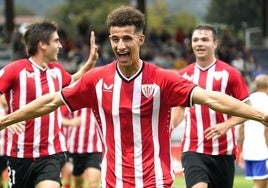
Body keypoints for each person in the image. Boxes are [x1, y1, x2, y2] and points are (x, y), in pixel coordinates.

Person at [0, 6, 268, 188]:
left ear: (140, 40)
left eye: (127, 38)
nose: (120, 45)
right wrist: (5, 120)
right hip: (114, 181)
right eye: (115, 39)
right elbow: (50, 101)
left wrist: (261, 116)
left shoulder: (163, 78)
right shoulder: (96, 79)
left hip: (156, 180)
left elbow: (212, 98)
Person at [0, 20, 98, 188]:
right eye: (56, 41)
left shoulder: (57, 71)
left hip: (51, 153)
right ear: (42, 44)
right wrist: (4, 118)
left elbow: (73, 79)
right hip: (19, 153)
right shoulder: (15, 70)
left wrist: (89, 64)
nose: (60, 45)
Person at [171, 24, 251, 188]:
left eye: (204, 40)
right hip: (192, 148)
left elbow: (246, 109)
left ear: (215, 43)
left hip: (224, 151)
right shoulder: (183, 76)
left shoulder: (231, 74)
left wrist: (227, 125)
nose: (199, 43)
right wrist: (170, 126)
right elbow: (179, 108)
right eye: (195, 40)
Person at [238, 74, 268, 188]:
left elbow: (241, 127)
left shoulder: (247, 100)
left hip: (248, 149)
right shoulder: (266, 101)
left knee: (258, 183)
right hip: (262, 150)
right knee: (260, 185)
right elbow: (267, 129)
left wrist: (242, 149)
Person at [61, 106, 102, 188]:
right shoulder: (73, 100)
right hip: (74, 148)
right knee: (78, 183)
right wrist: (71, 122)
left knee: (93, 183)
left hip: (95, 147)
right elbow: (58, 119)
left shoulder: (99, 99)